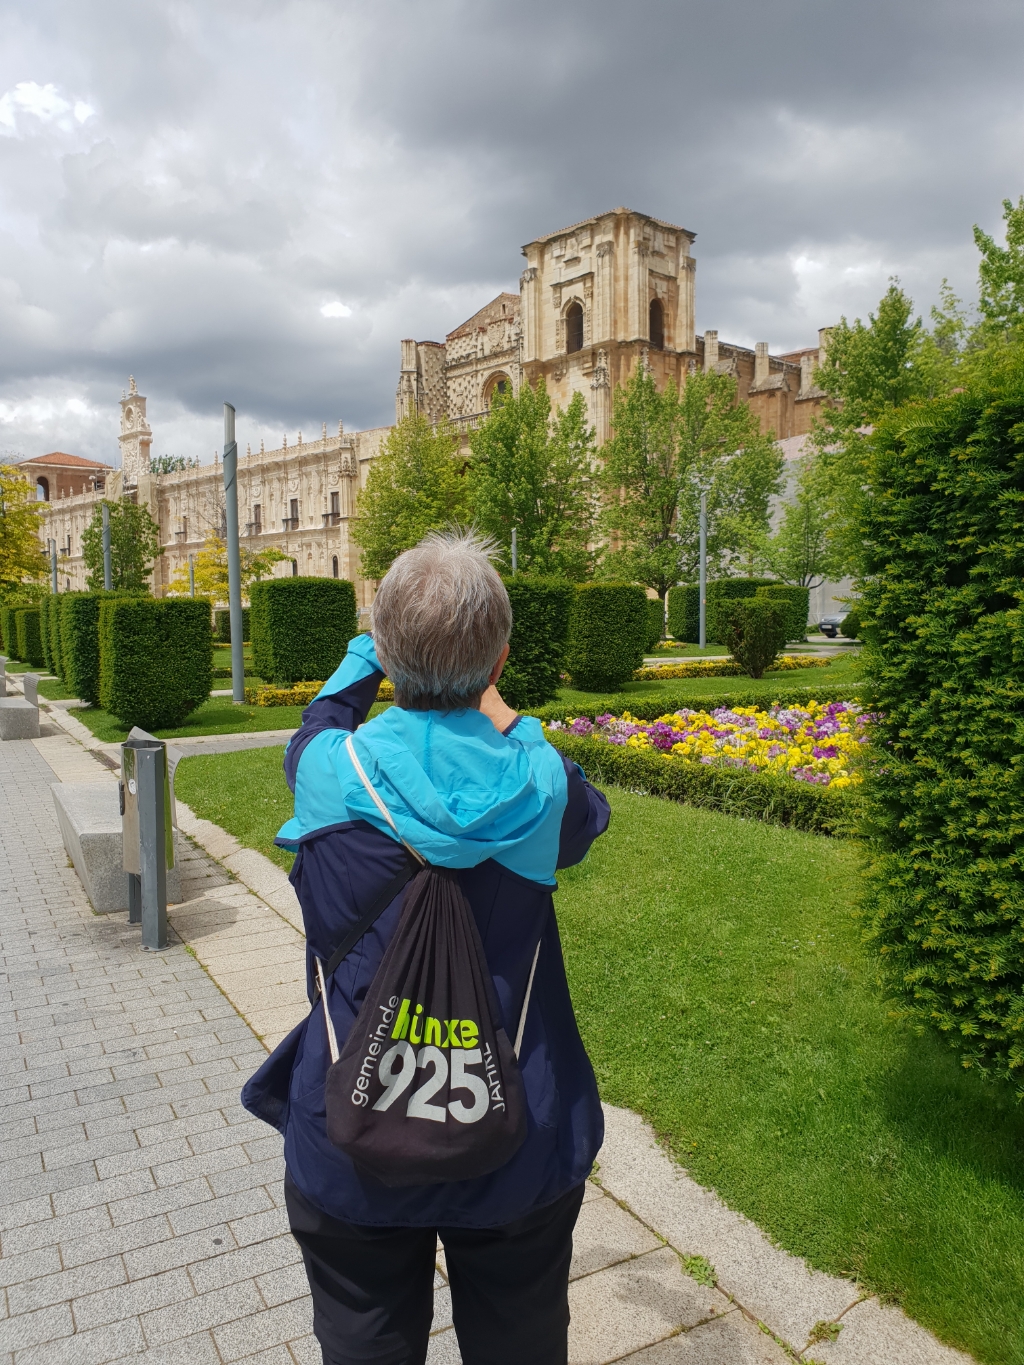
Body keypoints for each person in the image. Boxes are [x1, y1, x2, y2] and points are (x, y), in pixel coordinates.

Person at [243, 530, 610, 1365]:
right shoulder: (539, 782)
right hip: (514, 1124)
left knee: (363, 1340)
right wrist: (493, 697)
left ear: (389, 656)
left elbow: (320, 721)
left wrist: (368, 655)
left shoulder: (326, 773)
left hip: (352, 1129)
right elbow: (586, 812)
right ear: (500, 659)